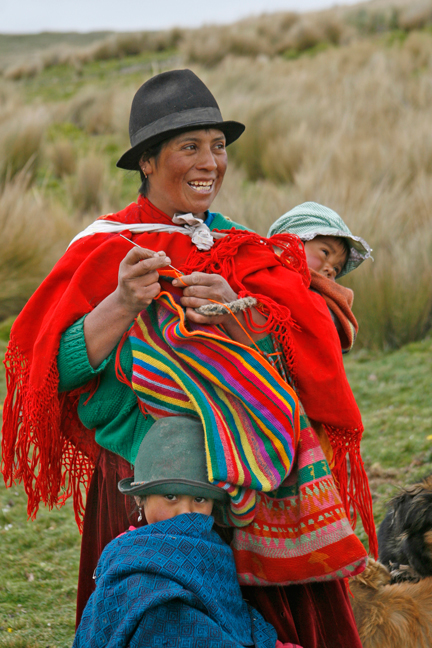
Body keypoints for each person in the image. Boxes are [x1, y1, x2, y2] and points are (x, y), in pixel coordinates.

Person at [2, 69, 371, 648]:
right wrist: (122, 302)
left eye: (218, 147)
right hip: (146, 483)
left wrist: (239, 314)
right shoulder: (105, 246)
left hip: (249, 487)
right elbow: (51, 373)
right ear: (147, 161)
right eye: (190, 147)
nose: (210, 163)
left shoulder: (243, 247)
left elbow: (295, 359)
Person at [74, 416, 302, 648]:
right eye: (170, 496)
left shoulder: (215, 553)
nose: (186, 512)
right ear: (140, 497)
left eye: (200, 499)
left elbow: (233, 619)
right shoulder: (123, 553)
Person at [268, 202, 372, 352]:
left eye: (337, 268)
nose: (330, 270)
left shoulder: (324, 301)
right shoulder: (259, 271)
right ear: (292, 243)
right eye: (325, 252)